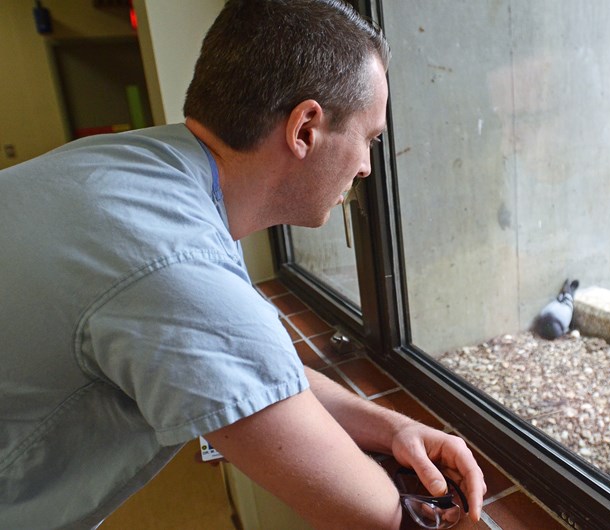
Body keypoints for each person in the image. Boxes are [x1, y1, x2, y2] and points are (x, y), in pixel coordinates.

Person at [0, 0, 486, 528]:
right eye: (369, 139)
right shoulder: (173, 265)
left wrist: (389, 428)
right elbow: (381, 514)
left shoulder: (139, 170)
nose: (367, 167)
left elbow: (259, 373)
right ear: (305, 129)